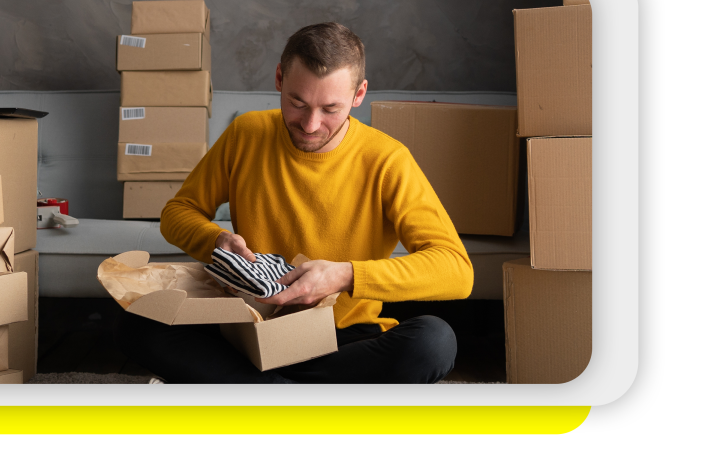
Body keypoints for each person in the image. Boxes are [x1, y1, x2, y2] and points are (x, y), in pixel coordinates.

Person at [115, 22, 473, 384]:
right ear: (279, 78)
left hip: (341, 340)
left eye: (331, 109)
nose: (311, 124)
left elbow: (456, 270)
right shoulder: (247, 133)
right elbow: (178, 213)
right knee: (139, 320)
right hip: (248, 329)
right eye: (297, 103)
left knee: (434, 341)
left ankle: (259, 396)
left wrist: (345, 275)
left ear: (359, 94)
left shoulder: (388, 160)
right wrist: (216, 240)